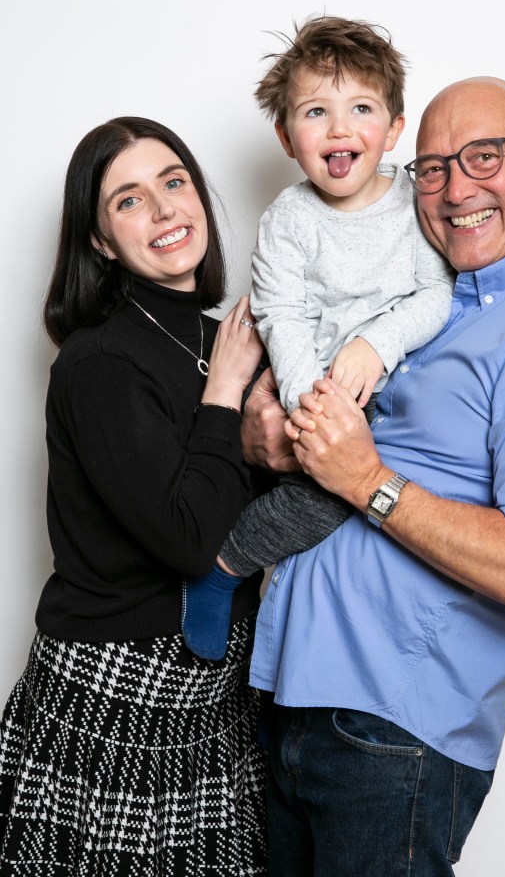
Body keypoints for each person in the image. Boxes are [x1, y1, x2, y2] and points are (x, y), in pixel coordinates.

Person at [243, 77, 505, 876]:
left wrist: (367, 481)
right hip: (290, 698)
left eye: (484, 158)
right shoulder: (437, 291)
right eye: (431, 168)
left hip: (393, 741)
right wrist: (266, 437)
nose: (457, 189)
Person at [0, 117, 268, 875]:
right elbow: (189, 537)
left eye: (174, 182)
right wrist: (224, 395)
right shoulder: (98, 365)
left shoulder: (228, 338)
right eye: (128, 200)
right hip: (115, 697)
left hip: (211, 701)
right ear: (98, 241)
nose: (163, 209)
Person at [182, 16, 453, 660]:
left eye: (361, 108)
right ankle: (223, 567)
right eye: (315, 112)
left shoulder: (414, 205)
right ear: (286, 137)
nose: (339, 128)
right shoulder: (289, 221)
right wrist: (311, 406)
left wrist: (377, 345)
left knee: (415, 485)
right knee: (328, 497)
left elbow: (436, 293)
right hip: (312, 386)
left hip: (389, 383)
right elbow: (282, 314)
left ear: (393, 129)